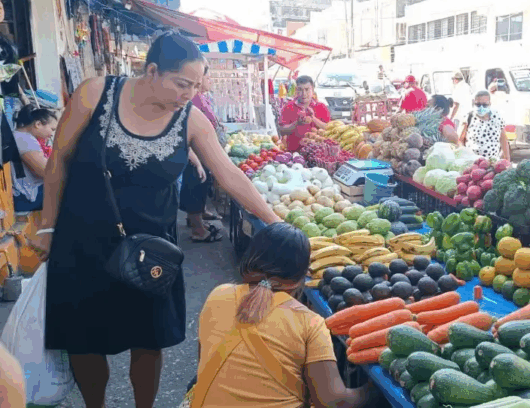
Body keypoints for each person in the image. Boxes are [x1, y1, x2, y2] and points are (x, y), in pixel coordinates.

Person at [28, 32, 282, 408]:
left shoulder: (191, 120)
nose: (189, 94)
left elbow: (228, 174)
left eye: (196, 85)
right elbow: (58, 161)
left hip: (154, 249)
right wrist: (48, 225)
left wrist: (274, 221)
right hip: (83, 237)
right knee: (85, 338)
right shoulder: (94, 94)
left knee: (149, 338)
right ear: (151, 71)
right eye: (182, 83)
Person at [193, 222, 379, 408]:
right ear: (302, 277)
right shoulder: (309, 322)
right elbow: (332, 402)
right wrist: (372, 392)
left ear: (248, 261)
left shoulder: (218, 294)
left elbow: (205, 360)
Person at [181, 65, 223, 243]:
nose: (209, 81)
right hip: (195, 153)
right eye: (208, 77)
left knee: (201, 185)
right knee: (195, 184)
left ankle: (198, 219)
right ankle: (198, 229)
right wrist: (197, 160)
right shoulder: (192, 100)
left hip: (201, 150)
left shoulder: (201, 98)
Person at [11, 105, 58, 212]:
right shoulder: (25, 139)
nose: (51, 134)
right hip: (26, 198)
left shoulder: (20, 136)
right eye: (52, 129)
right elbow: (47, 173)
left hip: (25, 195)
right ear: (38, 124)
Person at [278, 75, 331, 153]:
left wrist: (313, 118)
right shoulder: (288, 107)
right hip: (294, 154)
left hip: (319, 154)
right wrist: (297, 123)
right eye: (300, 90)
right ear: (296, 90)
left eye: (307, 89)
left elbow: (329, 129)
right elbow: (282, 131)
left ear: (312, 90)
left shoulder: (321, 107)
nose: (304, 93)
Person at [460, 90, 510, 161]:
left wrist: (507, 159)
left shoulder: (497, 117)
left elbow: (503, 140)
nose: (481, 107)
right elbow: (460, 140)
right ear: (474, 103)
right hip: (472, 163)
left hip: (492, 163)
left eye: (484, 105)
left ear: (490, 104)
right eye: (478, 104)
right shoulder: (469, 117)